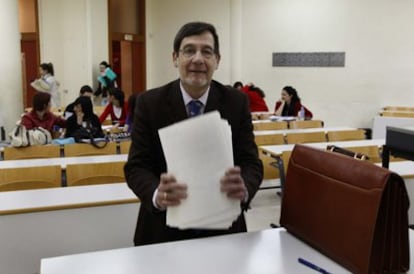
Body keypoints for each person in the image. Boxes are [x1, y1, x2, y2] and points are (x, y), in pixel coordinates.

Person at [124, 21, 263, 246]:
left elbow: (251, 162)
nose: (198, 59)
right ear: (175, 58)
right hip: (162, 230)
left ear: (217, 60)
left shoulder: (236, 102)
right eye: (189, 50)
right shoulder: (150, 103)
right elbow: (136, 166)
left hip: (224, 231)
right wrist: (156, 193)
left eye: (206, 52)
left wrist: (244, 187)